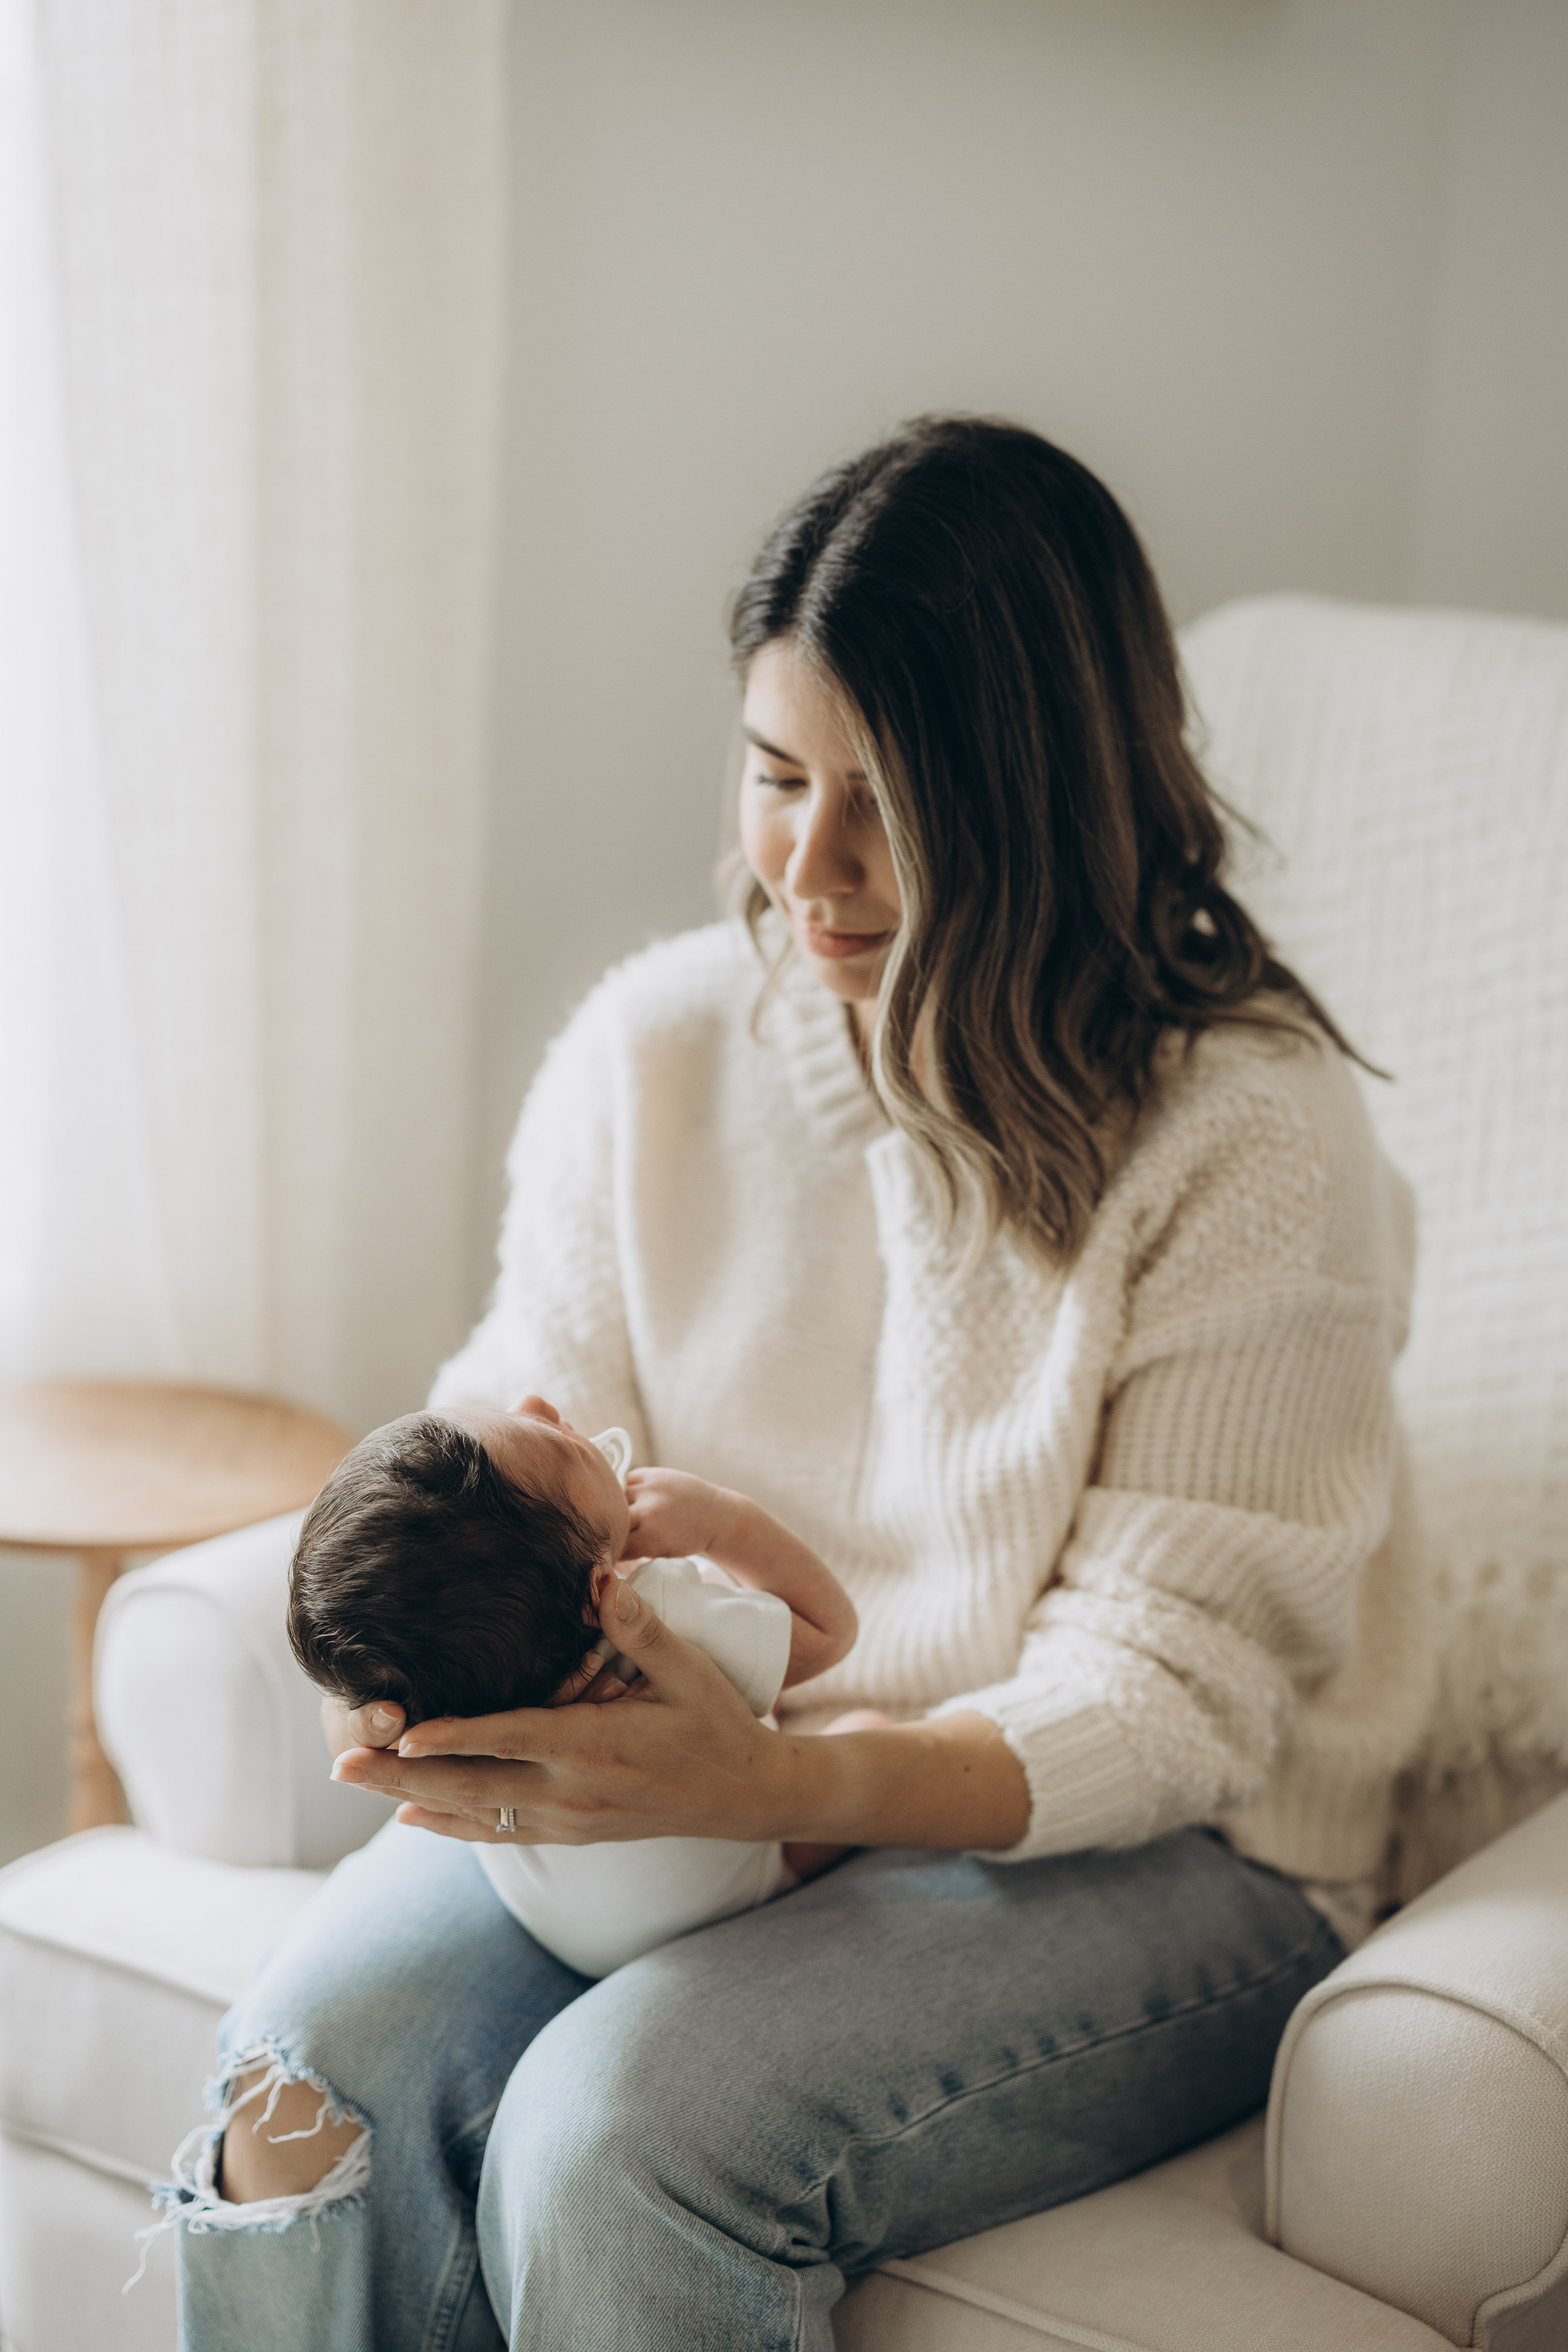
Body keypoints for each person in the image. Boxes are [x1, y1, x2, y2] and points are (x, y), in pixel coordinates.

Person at [165, 415, 1431, 2352]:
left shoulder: (1251, 1136)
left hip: (1166, 1844)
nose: (809, 867)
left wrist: (780, 1779)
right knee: (299, 2081)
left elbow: (1175, 1696)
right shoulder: (652, 1054)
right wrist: (445, 1674)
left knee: (618, 2136)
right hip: (720, 1782)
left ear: (1046, 804)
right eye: (775, 775)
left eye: (888, 802)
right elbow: (513, 1421)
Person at [285, 1407, 859, 1974]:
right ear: (595, 1594)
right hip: (718, 1914)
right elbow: (828, 1633)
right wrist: (723, 1524)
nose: (539, 1405)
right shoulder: (663, 1613)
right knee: (864, 1731)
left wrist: (355, 1716)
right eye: (564, 1448)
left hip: (551, 1925)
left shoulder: (438, 1687)